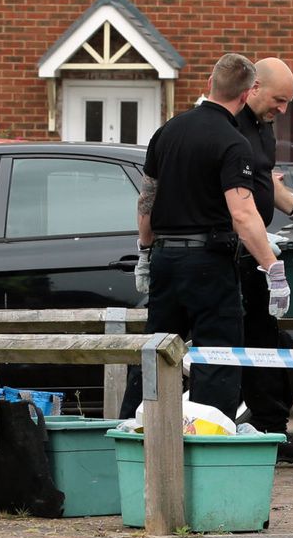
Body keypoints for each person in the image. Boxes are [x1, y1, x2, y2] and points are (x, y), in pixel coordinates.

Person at [121, 53, 282, 421]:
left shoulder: (167, 132)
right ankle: (209, 443)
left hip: (165, 260)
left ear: (210, 84)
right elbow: (242, 214)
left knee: (156, 351)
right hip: (208, 262)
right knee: (217, 358)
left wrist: (145, 253)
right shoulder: (232, 142)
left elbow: (147, 202)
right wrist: (272, 268)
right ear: (245, 96)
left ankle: (131, 429)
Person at [233, 56, 293, 463]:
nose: (283, 110)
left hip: (256, 253)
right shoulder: (225, 128)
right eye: (278, 99)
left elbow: (264, 183)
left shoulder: (262, 129)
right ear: (253, 88)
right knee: (222, 348)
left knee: (265, 343)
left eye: (289, 102)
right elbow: (239, 204)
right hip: (231, 253)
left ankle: (272, 432)